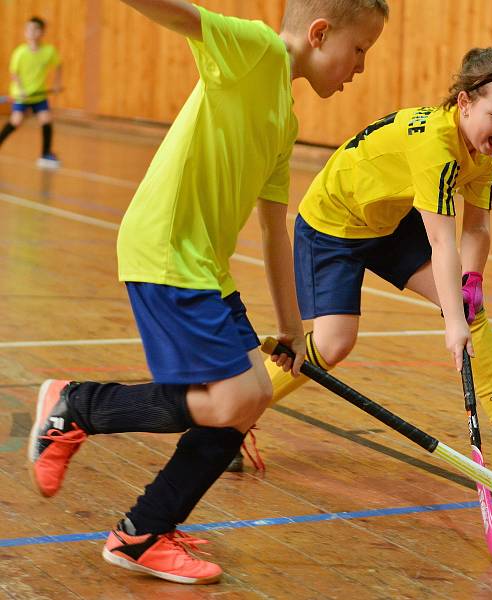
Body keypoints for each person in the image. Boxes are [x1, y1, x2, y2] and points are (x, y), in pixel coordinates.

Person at [27, 0, 387, 585]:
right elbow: (176, 15)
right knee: (230, 402)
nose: (361, 67)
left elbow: (275, 229)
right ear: (320, 34)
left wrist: (294, 329)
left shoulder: (283, 116)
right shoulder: (255, 51)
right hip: (166, 253)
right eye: (360, 50)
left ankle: (143, 532)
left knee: (250, 401)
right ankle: (77, 405)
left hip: (205, 268)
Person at [248, 47, 492, 469]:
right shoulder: (436, 149)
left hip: (388, 220)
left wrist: (471, 283)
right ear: (465, 101)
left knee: (464, 299)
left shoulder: (483, 155)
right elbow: (443, 243)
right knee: (334, 343)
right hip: (334, 223)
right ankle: (235, 409)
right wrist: (454, 323)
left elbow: (476, 227)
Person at [0, 16, 63, 169]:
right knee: (16, 121)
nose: (31, 32)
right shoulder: (20, 53)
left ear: (42, 32)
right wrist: (21, 90)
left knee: (46, 120)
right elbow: (15, 73)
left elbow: (58, 66)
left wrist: (56, 84)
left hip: (39, 95)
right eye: (28, 29)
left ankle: (46, 154)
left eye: (35, 29)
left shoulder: (49, 51)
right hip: (21, 95)